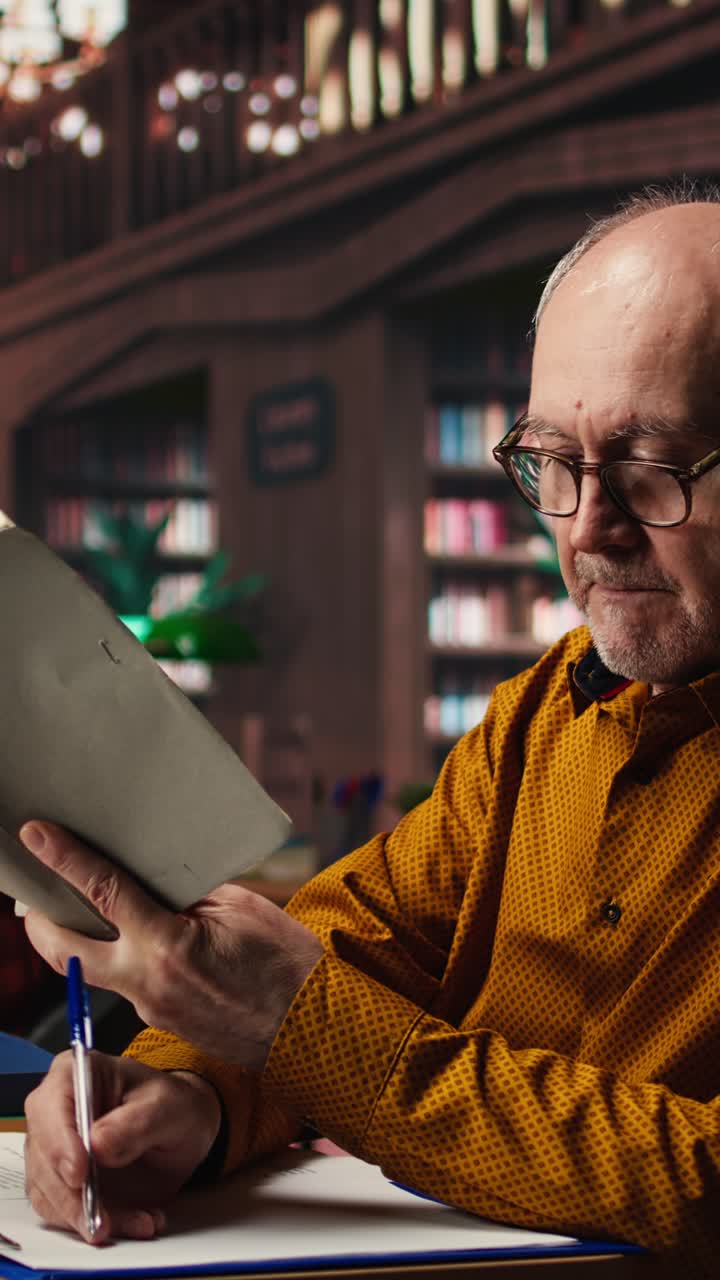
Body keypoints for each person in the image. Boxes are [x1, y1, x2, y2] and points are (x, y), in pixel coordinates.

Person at [20, 183, 720, 1277]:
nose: (588, 526)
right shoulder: (538, 713)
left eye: (648, 467)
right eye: (556, 463)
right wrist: (186, 1091)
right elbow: (361, 936)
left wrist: (300, 1030)